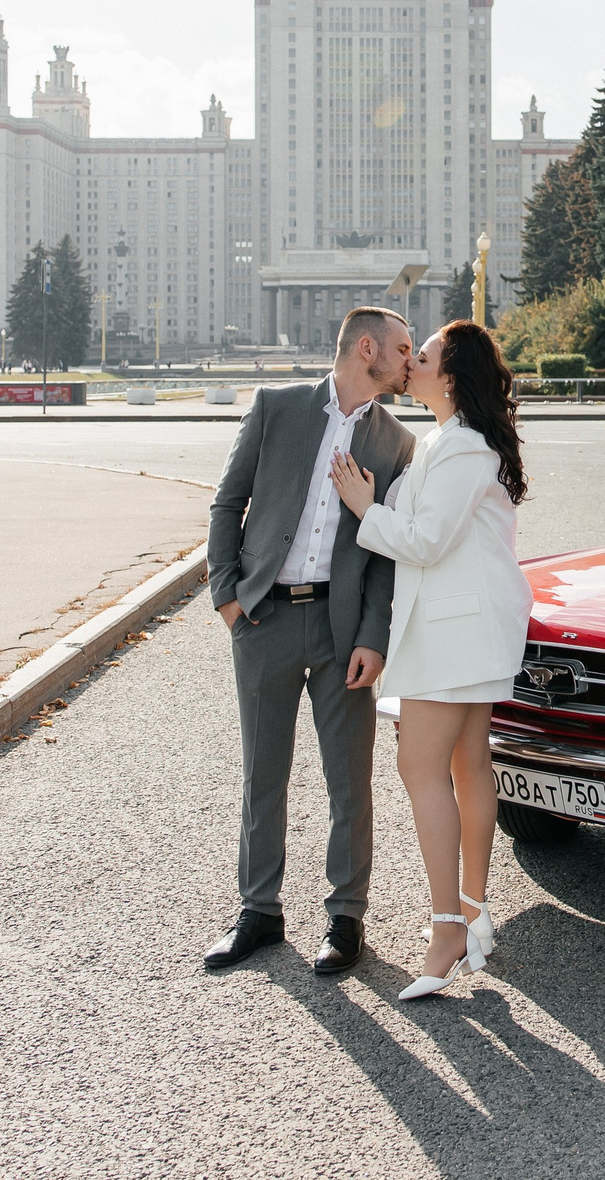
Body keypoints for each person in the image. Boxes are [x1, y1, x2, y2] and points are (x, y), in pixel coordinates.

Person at [202, 307, 418, 976]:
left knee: (349, 780)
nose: (411, 361)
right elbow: (226, 501)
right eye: (404, 348)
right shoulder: (277, 406)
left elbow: (385, 554)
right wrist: (228, 595)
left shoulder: (397, 443)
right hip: (263, 619)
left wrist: (373, 636)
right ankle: (258, 910)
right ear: (365, 348)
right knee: (262, 773)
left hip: (341, 630)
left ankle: (346, 916)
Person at [330, 320, 531, 1002]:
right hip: (463, 629)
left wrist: (362, 507)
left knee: (419, 764)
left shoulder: (464, 448)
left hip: (457, 633)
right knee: (466, 763)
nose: (409, 363)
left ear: (449, 375)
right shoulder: (446, 442)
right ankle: (472, 910)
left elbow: (426, 539)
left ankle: (448, 925)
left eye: (423, 356)